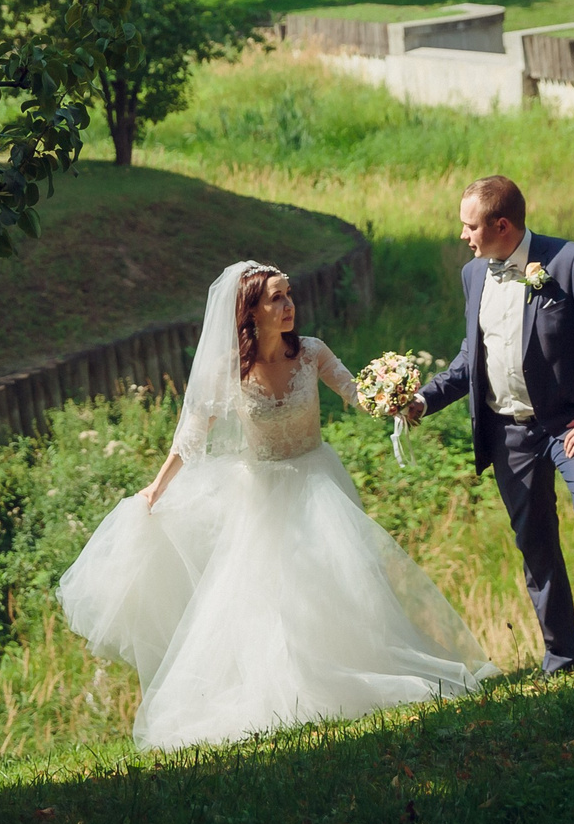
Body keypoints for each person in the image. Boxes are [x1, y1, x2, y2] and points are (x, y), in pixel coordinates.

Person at [57, 262, 496, 749]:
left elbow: (354, 395)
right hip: (259, 494)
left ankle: (346, 673)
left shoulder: (311, 353)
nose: (288, 307)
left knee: (332, 583)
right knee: (266, 595)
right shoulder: (229, 370)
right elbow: (191, 438)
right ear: (250, 311)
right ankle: (282, 688)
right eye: (275, 299)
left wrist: (391, 397)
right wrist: (155, 490)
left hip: (316, 482)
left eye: (288, 296)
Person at [411, 174, 574, 673]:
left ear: (501, 224)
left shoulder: (570, 263)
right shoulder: (474, 275)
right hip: (509, 433)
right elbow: (470, 358)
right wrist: (423, 401)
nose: (463, 236)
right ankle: (562, 657)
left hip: (572, 424)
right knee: (535, 542)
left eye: (469, 226)